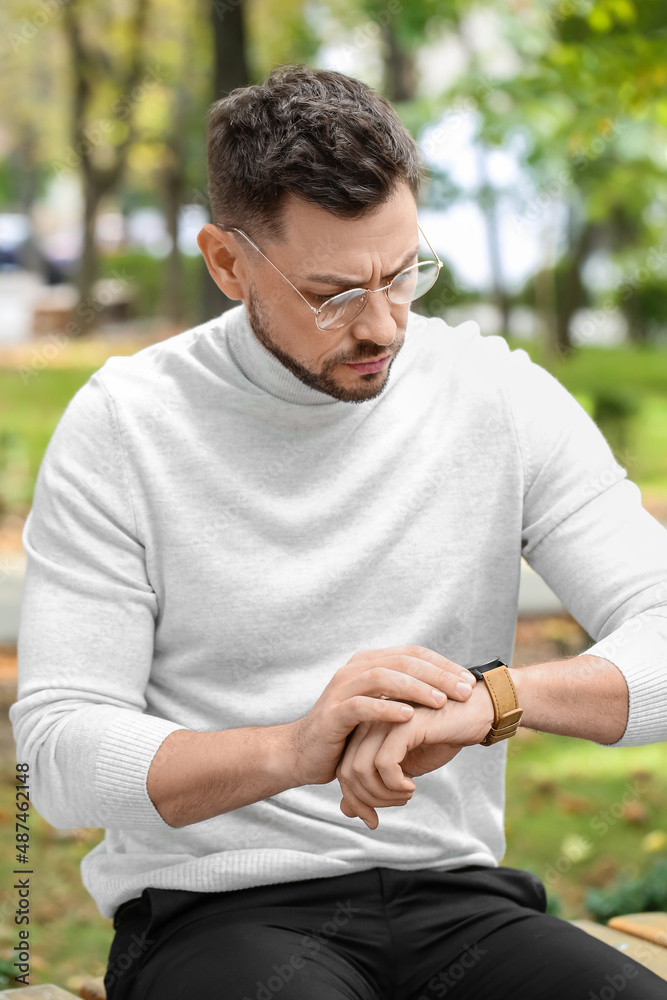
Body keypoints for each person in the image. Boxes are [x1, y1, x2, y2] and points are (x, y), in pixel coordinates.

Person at [11, 65, 667, 1000]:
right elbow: (60, 751)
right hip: (222, 915)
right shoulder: (127, 424)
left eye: (402, 276)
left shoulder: (494, 392)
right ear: (227, 262)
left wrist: (497, 701)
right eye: (331, 293)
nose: (381, 325)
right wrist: (292, 749)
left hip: (459, 901)